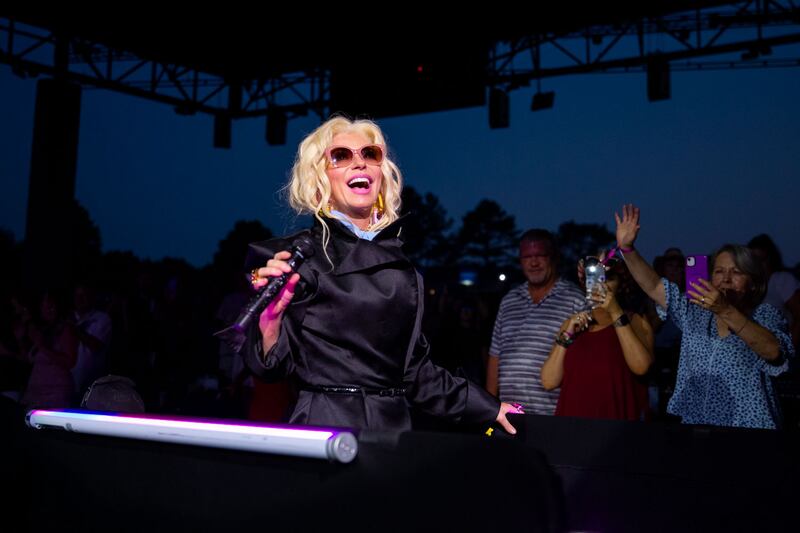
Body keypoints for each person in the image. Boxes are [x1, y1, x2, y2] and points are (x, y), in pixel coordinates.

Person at [243, 116, 519, 433]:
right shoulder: (300, 257)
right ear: (320, 178)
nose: (359, 163)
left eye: (369, 154)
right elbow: (272, 368)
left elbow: (415, 374)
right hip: (326, 427)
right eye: (341, 155)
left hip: (392, 430)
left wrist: (489, 408)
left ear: (380, 173)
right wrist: (270, 325)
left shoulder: (402, 267)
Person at [613, 204, 794, 429]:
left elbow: (774, 351)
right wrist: (628, 249)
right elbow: (655, 286)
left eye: (736, 272)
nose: (726, 278)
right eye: (719, 271)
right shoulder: (694, 313)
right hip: (697, 430)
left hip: (750, 432)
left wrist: (725, 310)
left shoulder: (764, 314)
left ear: (753, 283)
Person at [540, 252, 654, 420]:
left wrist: (615, 312)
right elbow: (549, 381)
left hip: (614, 428)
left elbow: (641, 367)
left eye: (608, 277)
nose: (601, 284)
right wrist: (567, 334)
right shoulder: (572, 325)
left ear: (621, 283)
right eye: (594, 277)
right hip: (573, 425)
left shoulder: (635, 321)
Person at [487, 229, 584, 414]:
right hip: (507, 415)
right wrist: (490, 409)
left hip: (553, 414)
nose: (533, 262)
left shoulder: (575, 299)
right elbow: (495, 357)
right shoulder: (509, 301)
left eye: (540, 255)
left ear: (553, 258)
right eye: (527, 257)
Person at [747, 233, 800, 351]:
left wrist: (789, 349)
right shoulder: (748, 288)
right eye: (754, 260)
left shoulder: (782, 280)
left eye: (762, 260)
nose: (758, 265)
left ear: (770, 259)